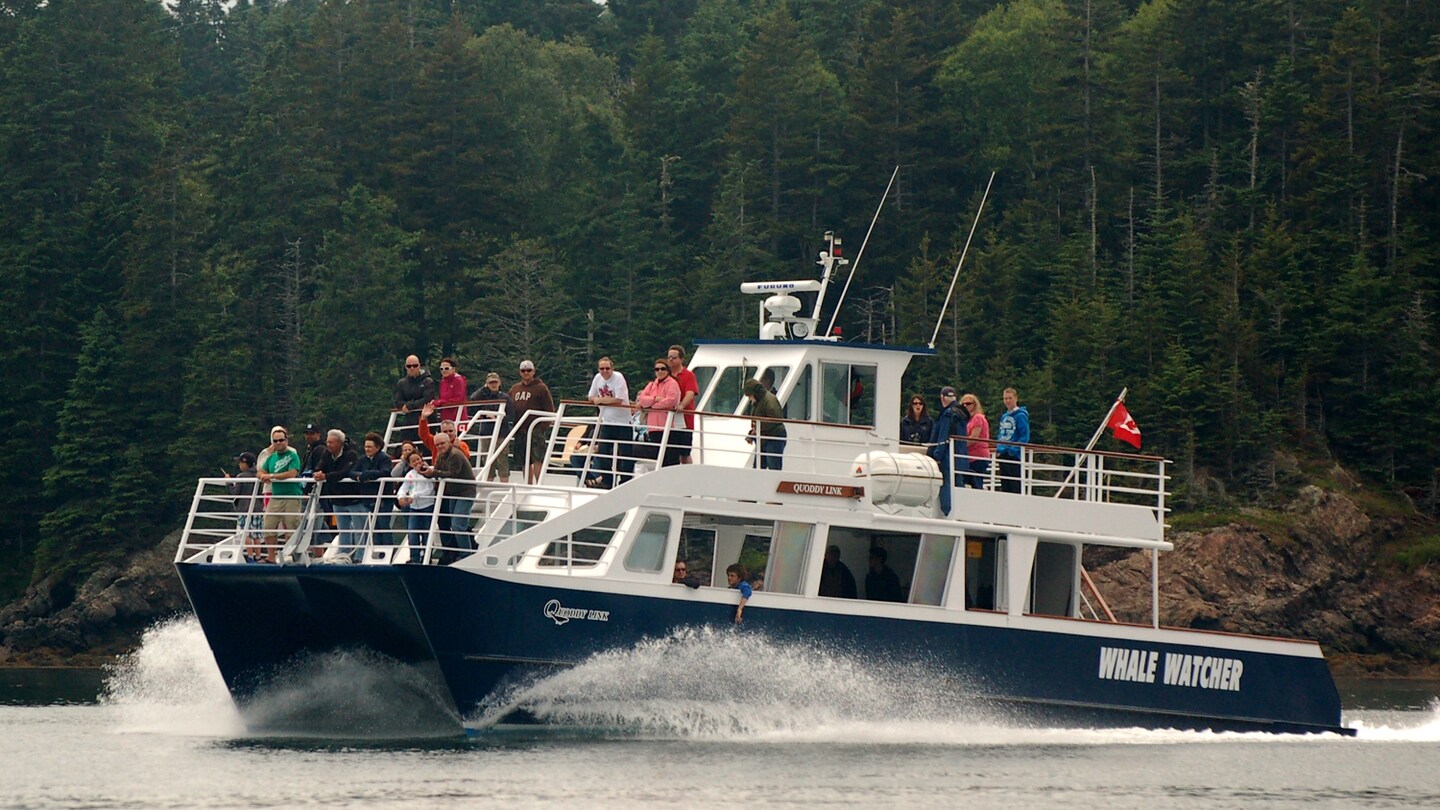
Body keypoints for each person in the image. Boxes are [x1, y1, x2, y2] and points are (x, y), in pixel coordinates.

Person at [312, 428, 363, 561]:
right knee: (343, 530)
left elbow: (345, 471)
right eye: (327, 442)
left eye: (331, 442)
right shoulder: (327, 454)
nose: (328, 445)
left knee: (359, 530)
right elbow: (320, 466)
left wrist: (326, 476)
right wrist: (318, 473)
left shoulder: (351, 454)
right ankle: (343, 555)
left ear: (340, 443)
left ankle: (359, 557)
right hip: (337, 498)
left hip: (353, 498)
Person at [427, 430, 477, 562]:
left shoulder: (455, 455)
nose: (440, 447)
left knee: (457, 525)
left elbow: (452, 473)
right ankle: (464, 549)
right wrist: (426, 471)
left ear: (449, 442)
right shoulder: (440, 455)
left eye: (442, 443)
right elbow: (438, 470)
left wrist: (432, 472)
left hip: (465, 492)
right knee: (457, 524)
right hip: (454, 492)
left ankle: (467, 554)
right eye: (437, 445)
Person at [257, 426, 303, 563]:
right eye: (275, 441)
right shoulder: (271, 458)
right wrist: (263, 476)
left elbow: (292, 473)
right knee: (268, 525)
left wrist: (272, 476)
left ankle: (290, 555)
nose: (278, 443)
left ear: (286, 440)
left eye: (281, 440)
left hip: (292, 495)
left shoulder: (293, 455)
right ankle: (271, 556)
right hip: (276, 496)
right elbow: (260, 471)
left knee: (291, 525)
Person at [586, 357, 631, 488]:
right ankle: (608, 480)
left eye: (607, 368)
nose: (605, 371)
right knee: (602, 452)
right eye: (602, 368)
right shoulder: (597, 378)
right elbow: (590, 397)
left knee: (626, 454)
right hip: (607, 421)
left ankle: (625, 481)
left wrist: (600, 400)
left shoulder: (618, 378)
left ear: (612, 368)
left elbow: (619, 399)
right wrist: (600, 399)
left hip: (623, 422)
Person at [509, 359, 555, 484]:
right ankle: (527, 485)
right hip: (520, 429)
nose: (526, 373)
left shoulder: (541, 388)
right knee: (524, 460)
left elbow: (550, 409)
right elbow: (508, 405)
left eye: (529, 370)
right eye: (523, 371)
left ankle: (538, 484)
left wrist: (542, 427)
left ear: (534, 371)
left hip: (535, 428)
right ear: (520, 372)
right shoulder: (515, 389)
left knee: (537, 458)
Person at [929, 386, 969, 515]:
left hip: (947, 457)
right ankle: (962, 512)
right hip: (960, 455)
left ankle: (948, 512)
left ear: (942, 398)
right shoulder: (961, 413)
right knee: (958, 483)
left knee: (946, 483)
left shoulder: (948, 414)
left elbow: (943, 436)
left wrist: (937, 456)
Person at [634, 358, 681, 466]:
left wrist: (650, 405)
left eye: (662, 369)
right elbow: (642, 399)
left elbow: (670, 401)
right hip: (654, 428)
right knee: (659, 456)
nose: (659, 371)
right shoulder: (651, 385)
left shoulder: (672, 384)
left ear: (667, 370)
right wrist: (655, 399)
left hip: (668, 426)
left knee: (670, 457)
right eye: (657, 369)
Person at [351, 432, 391, 550]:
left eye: (369, 447)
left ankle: (388, 552)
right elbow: (351, 472)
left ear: (377, 447)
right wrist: (359, 476)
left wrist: (367, 475)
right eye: (365, 446)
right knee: (373, 529)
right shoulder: (363, 459)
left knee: (383, 526)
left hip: (383, 499)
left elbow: (385, 472)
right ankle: (376, 552)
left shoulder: (384, 458)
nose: (367, 449)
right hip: (368, 499)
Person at [395, 450, 436, 563]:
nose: (416, 462)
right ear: (409, 464)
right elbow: (404, 487)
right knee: (412, 532)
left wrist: (414, 496)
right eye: (413, 461)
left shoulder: (428, 471)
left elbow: (429, 489)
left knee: (427, 532)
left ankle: (427, 557)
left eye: (418, 459)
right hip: (414, 508)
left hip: (427, 506)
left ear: (421, 459)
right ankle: (414, 557)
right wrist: (401, 497)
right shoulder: (410, 474)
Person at [473, 372, 514, 482]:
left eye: (495, 382)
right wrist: (483, 388)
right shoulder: (483, 397)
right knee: (487, 461)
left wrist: (497, 418)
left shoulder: (505, 397)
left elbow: (511, 416)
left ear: (499, 383)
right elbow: (472, 400)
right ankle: (488, 486)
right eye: (491, 382)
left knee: (502, 460)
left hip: (501, 433)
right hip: (486, 432)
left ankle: (504, 487)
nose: (493, 384)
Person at [224, 452, 262, 559]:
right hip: (257, 508)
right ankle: (258, 557)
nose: (239, 465)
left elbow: (235, 493)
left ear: (245, 464)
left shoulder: (241, 476)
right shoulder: (259, 474)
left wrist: (229, 482)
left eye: (240, 463)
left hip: (244, 509)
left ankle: (250, 557)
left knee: (247, 534)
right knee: (257, 535)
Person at [743, 378, 786, 470]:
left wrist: (757, 429)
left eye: (750, 396)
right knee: (758, 466)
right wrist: (753, 433)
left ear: (754, 393)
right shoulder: (760, 400)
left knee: (773, 467)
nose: (750, 398)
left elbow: (775, 419)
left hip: (774, 438)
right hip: (764, 438)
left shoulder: (769, 400)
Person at [666, 345, 700, 464]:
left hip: (685, 421)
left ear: (681, 359)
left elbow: (690, 393)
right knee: (670, 453)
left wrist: (681, 405)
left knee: (684, 453)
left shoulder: (688, 375)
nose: (670, 360)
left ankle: (688, 477)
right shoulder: (665, 375)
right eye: (669, 357)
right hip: (668, 421)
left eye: (673, 357)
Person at [996, 387, 1030, 494]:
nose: (1007, 401)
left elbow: (1024, 435)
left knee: (1015, 484)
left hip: (1013, 455)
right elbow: (1001, 434)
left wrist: (1013, 450)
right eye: (1005, 398)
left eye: (1010, 398)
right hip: (1003, 453)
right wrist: (999, 449)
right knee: (1005, 484)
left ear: (1016, 398)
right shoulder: (1004, 416)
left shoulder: (1020, 416)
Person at [393, 355, 436, 433]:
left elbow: (427, 399)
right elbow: (397, 402)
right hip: (410, 422)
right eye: (409, 366)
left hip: (428, 421)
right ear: (406, 367)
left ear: (419, 366)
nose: (412, 368)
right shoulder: (401, 383)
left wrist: (409, 405)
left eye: (415, 366)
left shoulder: (428, 381)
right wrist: (408, 405)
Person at [961, 393, 991, 489]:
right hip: (970, 457)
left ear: (975, 404)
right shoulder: (967, 420)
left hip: (978, 456)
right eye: (963, 404)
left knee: (976, 483)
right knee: (970, 482)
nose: (965, 406)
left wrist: (960, 446)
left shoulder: (977, 418)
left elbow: (974, 437)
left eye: (968, 403)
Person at [431, 357, 468, 425]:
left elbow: (458, 399)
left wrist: (440, 402)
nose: (444, 370)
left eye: (446, 368)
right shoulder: (442, 382)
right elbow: (443, 398)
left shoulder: (458, 380)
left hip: (458, 417)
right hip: (446, 418)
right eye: (441, 369)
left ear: (453, 369)